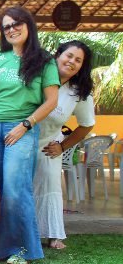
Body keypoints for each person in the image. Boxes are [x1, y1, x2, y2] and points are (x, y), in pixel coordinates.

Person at [0, 7, 59, 264]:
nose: (11, 29)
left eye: (16, 24)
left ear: (29, 26)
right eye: (7, 26)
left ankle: (21, 249)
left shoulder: (44, 60)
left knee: (16, 190)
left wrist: (25, 125)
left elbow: (51, 100)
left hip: (20, 129)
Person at [34, 40, 95, 250]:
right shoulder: (36, 76)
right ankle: (20, 231)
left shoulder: (79, 92)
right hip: (20, 139)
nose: (72, 62)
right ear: (57, 55)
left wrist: (63, 146)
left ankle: (52, 234)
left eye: (78, 60)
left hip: (49, 145)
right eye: (69, 56)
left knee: (49, 185)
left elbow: (86, 125)